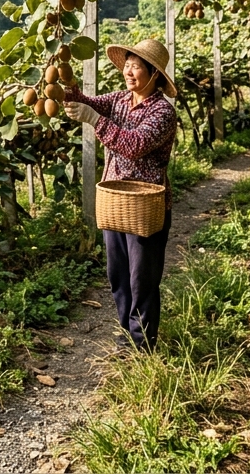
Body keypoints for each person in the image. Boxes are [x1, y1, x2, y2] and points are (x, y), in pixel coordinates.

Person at [63, 38, 178, 352]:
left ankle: (142, 347)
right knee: (118, 276)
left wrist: (93, 119)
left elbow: (134, 145)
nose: (129, 71)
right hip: (115, 203)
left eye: (136, 66)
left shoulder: (162, 113)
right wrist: (65, 79)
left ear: (154, 74)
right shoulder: (119, 100)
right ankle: (128, 337)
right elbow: (85, 100)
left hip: (146, 206)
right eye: (127, 64)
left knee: (142, 279)